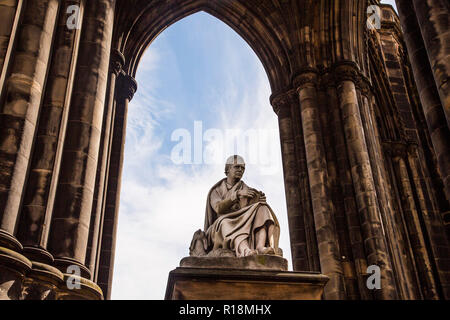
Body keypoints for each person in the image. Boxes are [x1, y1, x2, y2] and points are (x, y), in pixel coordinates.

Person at [203, 155, 281, 257]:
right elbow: (218, 208)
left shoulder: (247, 189)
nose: (240, 170)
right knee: (226, 223)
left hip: (243, 221)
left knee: (263, 208)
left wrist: (259, 201)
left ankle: (260, 246)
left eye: (242, 168)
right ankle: (245, 251)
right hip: (220, 225)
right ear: (228, 169)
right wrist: (236, 195)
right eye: (237, 167)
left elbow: (250, 212)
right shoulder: (216, 190)